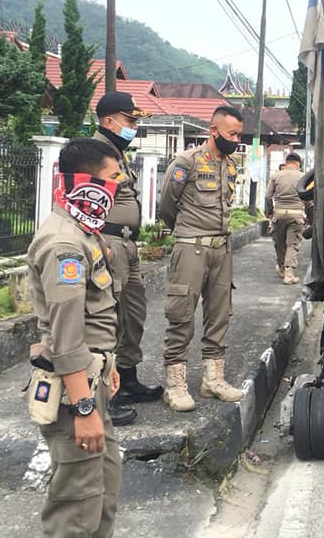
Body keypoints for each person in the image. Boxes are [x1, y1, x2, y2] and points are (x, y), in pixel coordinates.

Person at [26, 138, 123, 536]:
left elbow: (94, 316)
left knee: (103, 491)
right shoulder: (64, 245)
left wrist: (108, 365)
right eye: (112, 178)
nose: (118, 186)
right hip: (73, 393)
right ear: (87, 182)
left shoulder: (84, 231)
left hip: (91, 377)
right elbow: (65, 339)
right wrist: (84, 409)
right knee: (77, 507)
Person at [158, 105, 245, 411]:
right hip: (191, 248)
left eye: (239, 135)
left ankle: (213, 379)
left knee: (219, 314)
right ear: (214, 130)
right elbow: (167, 205)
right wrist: (186, 232)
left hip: (222, 249)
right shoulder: (187, 161)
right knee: (181, 314)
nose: (236, 140)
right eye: (232, 134)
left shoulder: (230, 165)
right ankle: (175, 385)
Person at [93, 91, 163, 427]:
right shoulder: (94, 153)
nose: (133, 126)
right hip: (108, 243)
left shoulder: (116, 152)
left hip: (127, 245)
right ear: (109, 121)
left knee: (133, 313)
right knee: (108, 317)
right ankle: (103, 395)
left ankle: (128, 379)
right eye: (129, 120)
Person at [264, 152, 305, 285]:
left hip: (279, 215)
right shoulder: (303, 177)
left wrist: (269, 212)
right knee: (292, 244)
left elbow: (267, 196)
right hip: (296, 216)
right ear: (297, 164)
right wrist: (310, 217)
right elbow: (309, 200)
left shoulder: (276, 176)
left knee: (280, 244)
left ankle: (282, 269)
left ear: (286, 162)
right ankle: (289, 274)